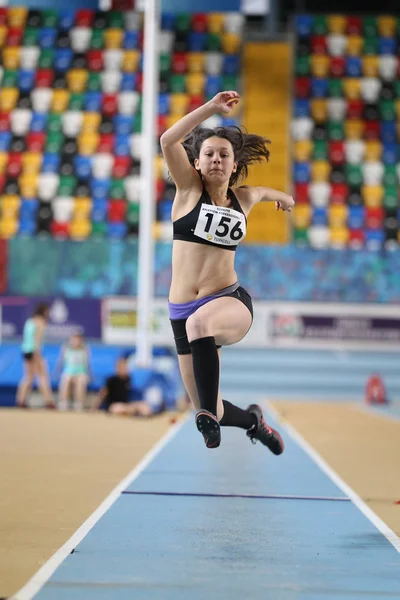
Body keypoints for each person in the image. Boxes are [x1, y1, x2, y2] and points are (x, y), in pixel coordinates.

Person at [160, 90, 294, 451]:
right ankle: (254, 422)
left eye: (224, 155)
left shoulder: (244, 198)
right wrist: (210, 109)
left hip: (228, 300)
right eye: (209, 154)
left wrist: (285, 198)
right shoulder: (188, 190)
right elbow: (167, 139)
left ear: (234, 165)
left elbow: (265, 192)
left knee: (199, 326)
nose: (216, 159)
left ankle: (214, 417)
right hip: (181, 310)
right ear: (198, 164)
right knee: (209, 408)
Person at [92, 356, 163, 417]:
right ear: (117, 368)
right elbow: (103, 393)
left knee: (143, 406)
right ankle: (132, 413)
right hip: (114, 405)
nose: (125, 368)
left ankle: (151, 412)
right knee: (117, 408)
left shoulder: (128, 379)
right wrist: (95, 408)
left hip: (127, 405)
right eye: (122, 367)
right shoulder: (111, 380)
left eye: (125, 366)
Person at [16, 302, 56, 409]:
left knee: (28, 377)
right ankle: (49, 401)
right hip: (35, 351)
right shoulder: (41, 322)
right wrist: (37, 353)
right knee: (43, 376)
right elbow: (37, 339)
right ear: (43, 311)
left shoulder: (29, 321)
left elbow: (26, 338)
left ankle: (21, 400)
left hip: (25, 350)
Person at [55, 331, 92, 411]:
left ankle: (78, 403)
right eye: (74, 339)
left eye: (78, 339)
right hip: (68, 373)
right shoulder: (66, 349)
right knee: (66, 379)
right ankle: (63, 402)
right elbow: (60, 363)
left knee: (80, 381)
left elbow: (88, 365)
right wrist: (57, 374)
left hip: (81, 373)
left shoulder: (85, 350)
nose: (76, 341)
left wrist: (89, 376)